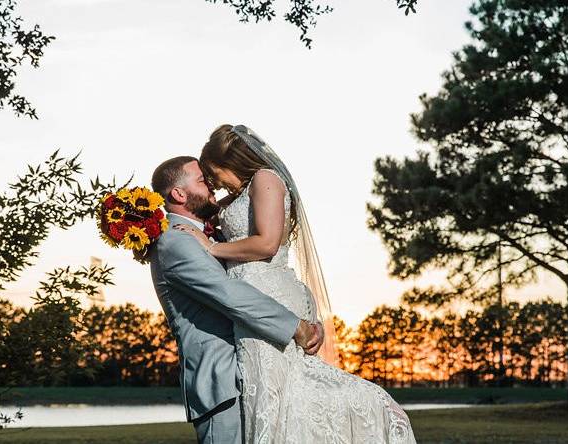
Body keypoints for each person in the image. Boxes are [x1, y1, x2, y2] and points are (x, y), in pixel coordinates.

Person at [175, 125, 417, 443]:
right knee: (266, 392)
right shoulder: (238, 195)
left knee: (291, 384)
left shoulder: (266, 179)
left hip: (270, 294)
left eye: (214, 172)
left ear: (229, 161)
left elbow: (267, 244)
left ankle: (383, 419)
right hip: (249, 305)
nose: (215, 182)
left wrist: (211, 248)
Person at [148, 156, 324, 444]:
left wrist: (308, 314)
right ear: (179, 194)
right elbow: (230, 295)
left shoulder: (212, 236)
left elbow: (264, 279)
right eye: (203, 181)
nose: (212, 186)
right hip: (222, 383)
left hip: (257, 370)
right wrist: (296, 327)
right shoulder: (175, 242)